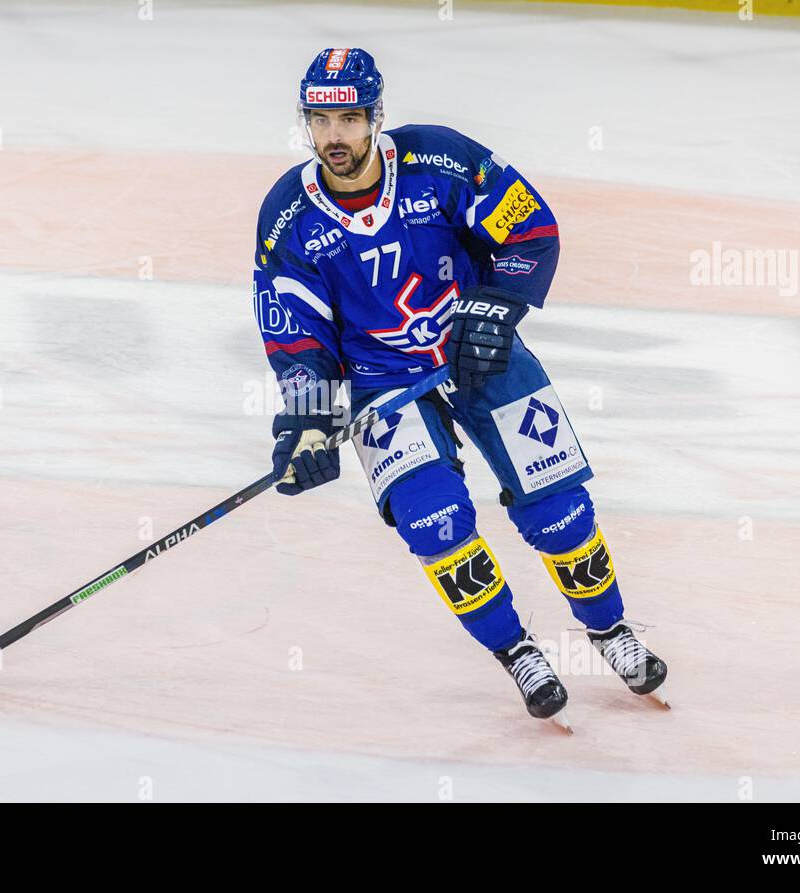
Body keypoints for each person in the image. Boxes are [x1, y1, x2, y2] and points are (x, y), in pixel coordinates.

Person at [252, 47, 667, 725]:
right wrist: (307, 417)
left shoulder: (440, 161)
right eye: (320, 122)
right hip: (382, 384)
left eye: (350, 119)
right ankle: (517, 650)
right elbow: (297, 335)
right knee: (434, 522)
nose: (334, 138)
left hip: (477, 348)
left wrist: (496, 304)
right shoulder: (288, 216)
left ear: (376, 117)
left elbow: (528, 226)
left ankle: (610, 630)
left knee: (557, 505)